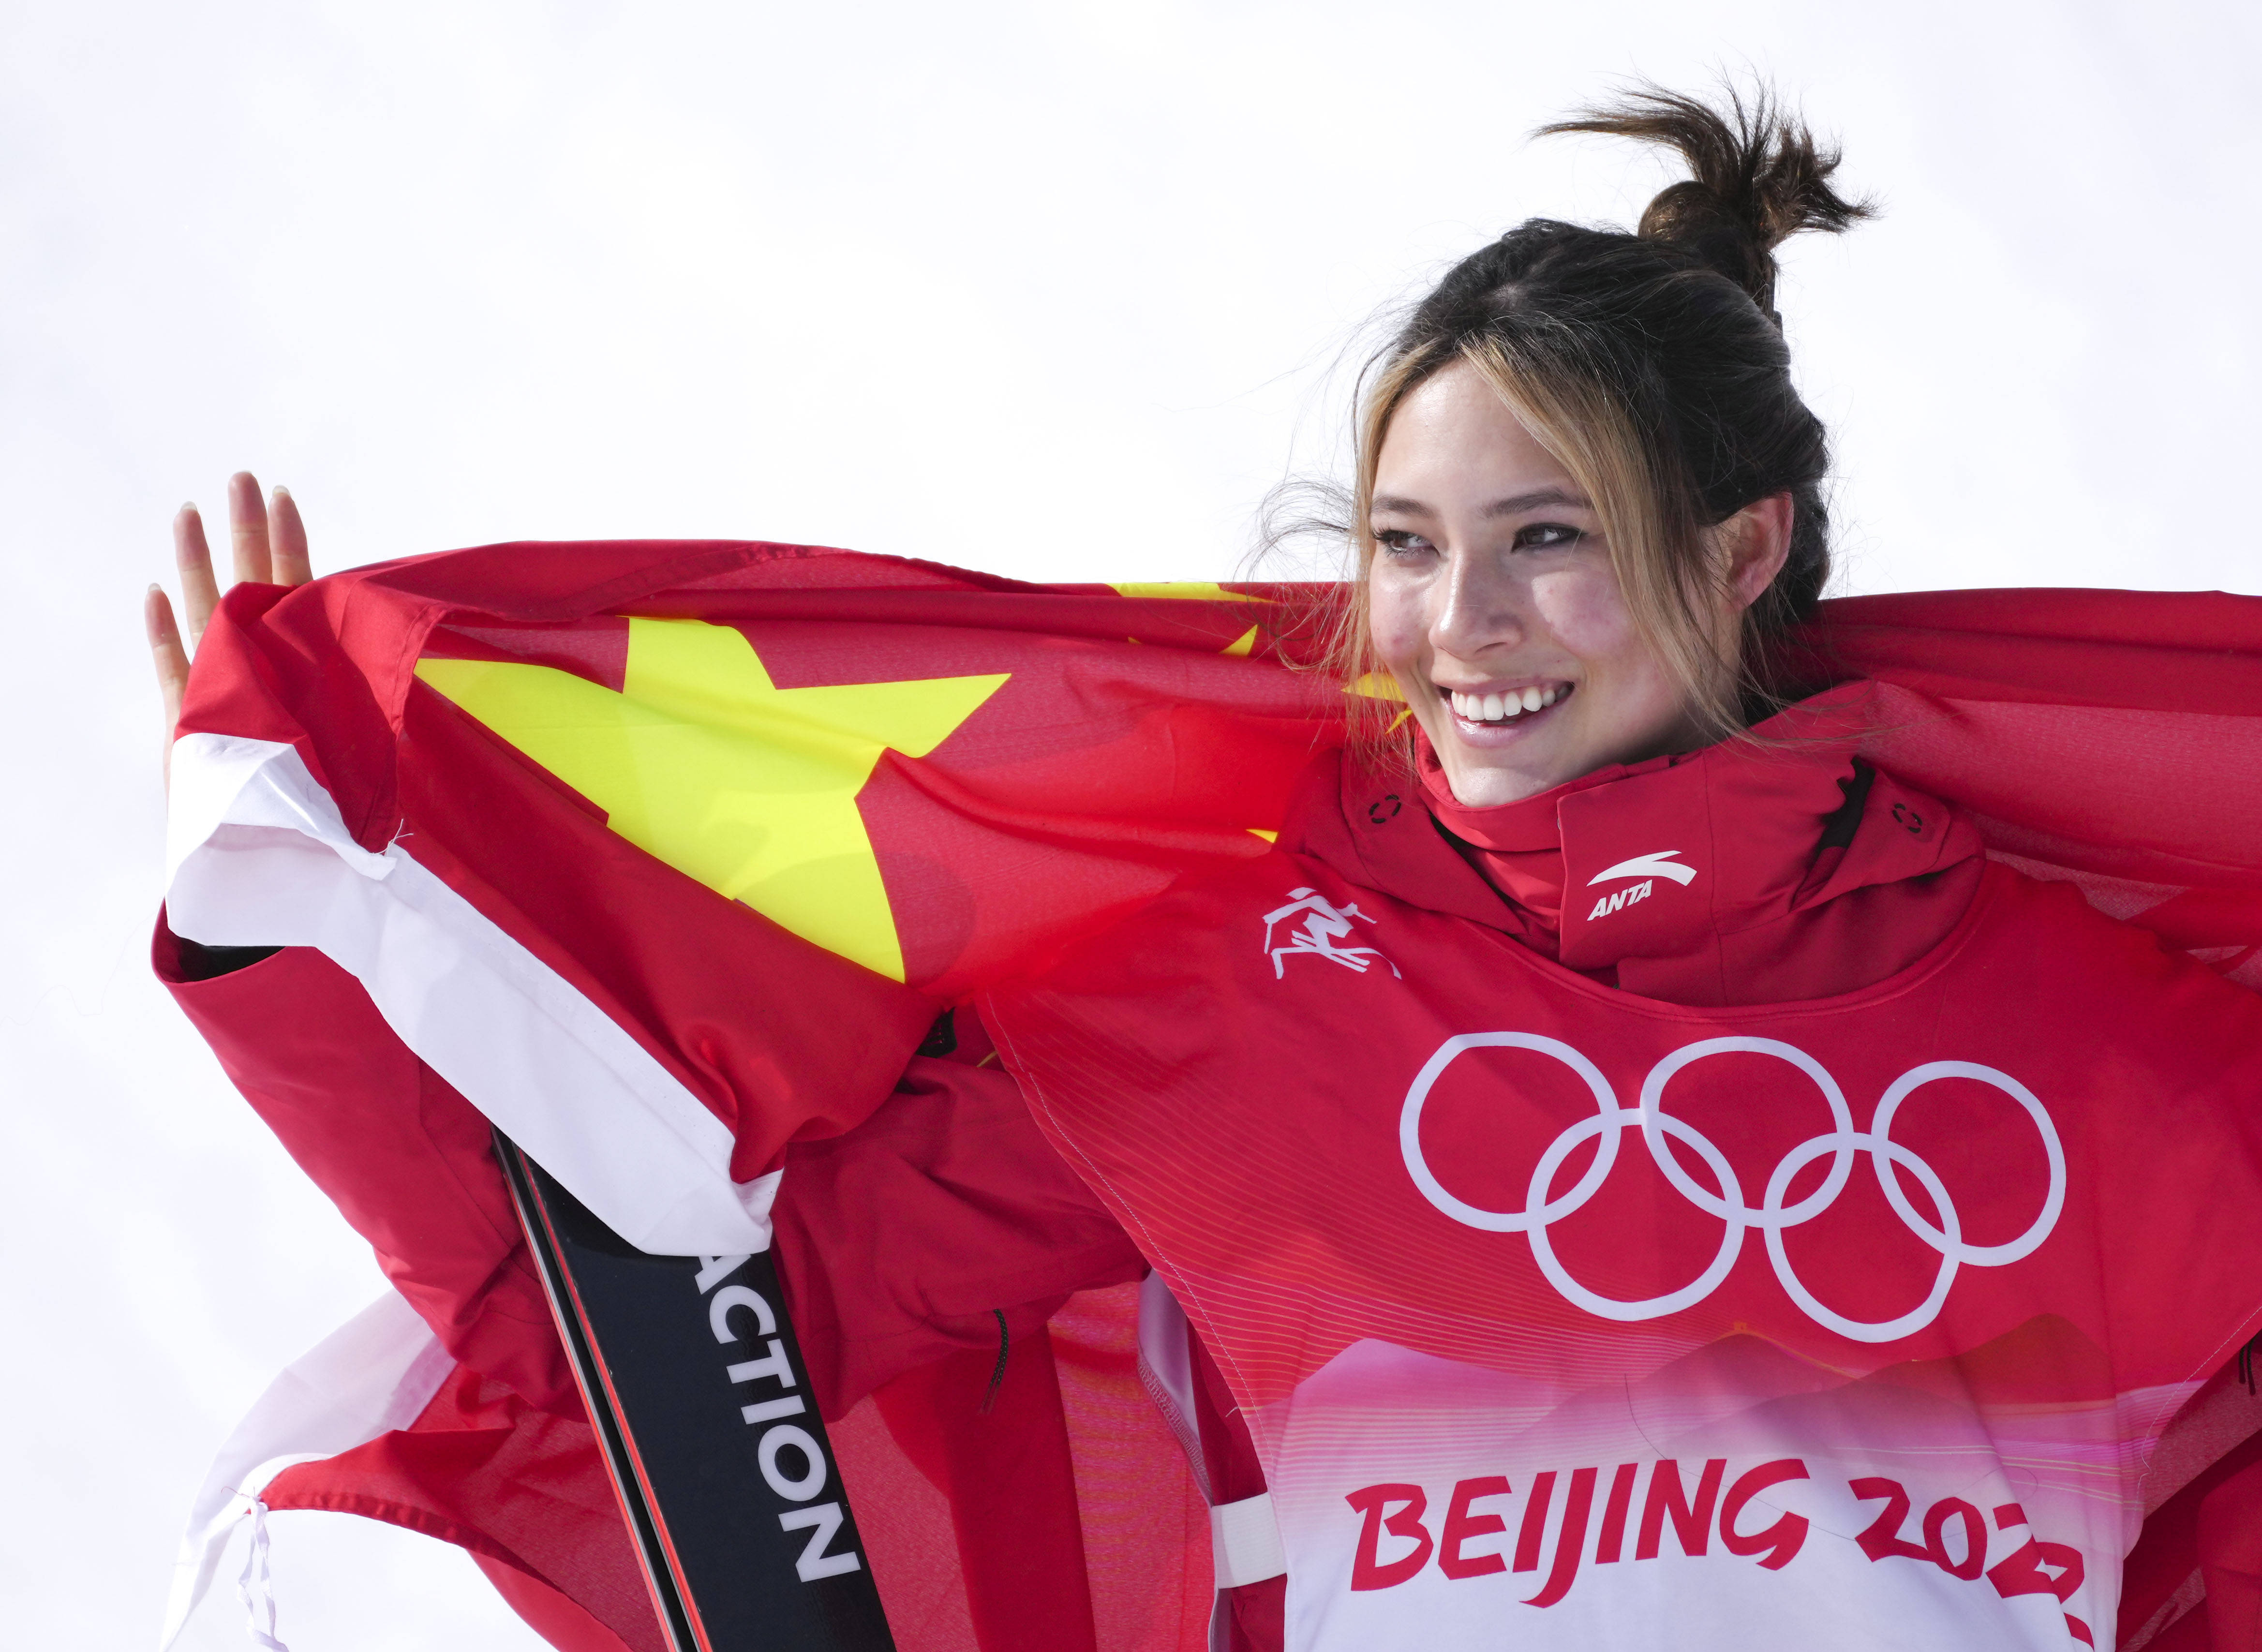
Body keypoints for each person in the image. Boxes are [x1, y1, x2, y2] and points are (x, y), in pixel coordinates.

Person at [146, 88, 2262, 1652]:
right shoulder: (1233, 999)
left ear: (1737, 552)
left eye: (1546, 538)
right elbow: (653, 1341)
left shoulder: (2113, 1052)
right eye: (1405, 547)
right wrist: (331, 912)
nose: (1456, 629)